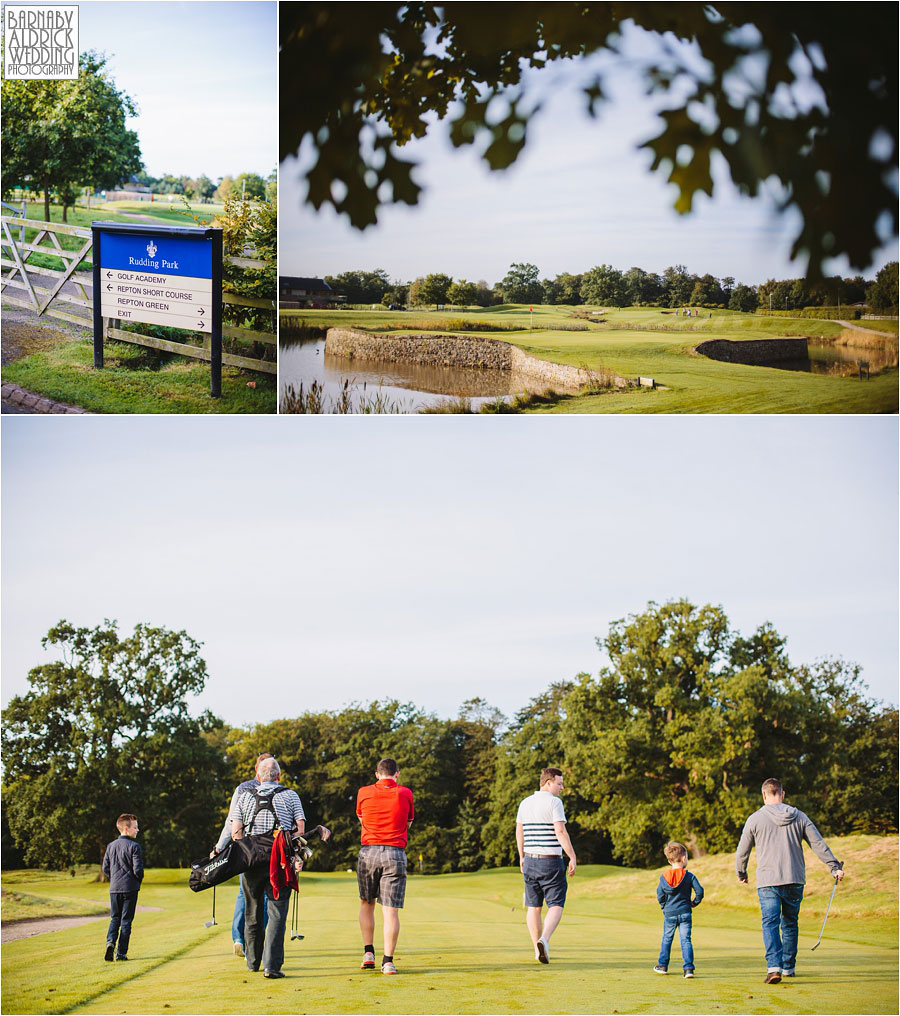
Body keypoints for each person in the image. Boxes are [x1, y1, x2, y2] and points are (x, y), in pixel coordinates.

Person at [736, 777, 845, 984]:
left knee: (770, 923)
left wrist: (741, 872)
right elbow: (818, 844)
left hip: (768, 881)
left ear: (764, 795)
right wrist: (834, 866)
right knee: (790, 924)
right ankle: (788, 967)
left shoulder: (755, 819)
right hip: (794, 879)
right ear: (782, 794)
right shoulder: (800, 816)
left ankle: (774, 968)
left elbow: (743, 850)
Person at [231, 757, 306, 978]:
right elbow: (300, 830)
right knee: (277, 912)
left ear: (258, 775)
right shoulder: (291, 795)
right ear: (279, 776)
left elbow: (236, 832)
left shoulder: (245, 797)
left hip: (252, 861)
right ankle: (271, 966)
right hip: (279, 862)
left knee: (252, 912)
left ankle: (253, 962)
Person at [356, 758, 415, 975]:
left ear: (377, 774)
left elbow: (362, 820)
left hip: (368, 851)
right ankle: (388, 962)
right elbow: (408, 823)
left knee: (366, 903)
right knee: (390, 911)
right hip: (395, 853)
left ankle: (368, 952)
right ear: (397, 774)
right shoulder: (405, 793)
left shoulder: (363, 792)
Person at [213, 753, 274, 957]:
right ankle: (253, 943)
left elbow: (231, 822)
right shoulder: (279, 790)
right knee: (264, 898)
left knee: (243, 894)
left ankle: (239, 938)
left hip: (246, 849)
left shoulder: (243, 788)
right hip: (268, 851)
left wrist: (220, 846)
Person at [515, 767, 577, 964]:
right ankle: (545, 940)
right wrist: (572, 856)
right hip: (550, 860)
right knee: (556, 904)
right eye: (559, 783)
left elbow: (520, 831)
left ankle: (537, 949)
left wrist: (521, 856)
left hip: (530, 860)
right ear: (548, 782)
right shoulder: (554, 802)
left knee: (533, 907)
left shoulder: (525, 803)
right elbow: (560, 831)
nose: (562, 787)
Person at [653, 841, 704, 977]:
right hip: (685, 912)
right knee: (686, 940)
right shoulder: (689, 876)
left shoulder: (664, 877)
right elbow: (700, 891)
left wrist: (664, 907)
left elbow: (660, 895)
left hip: (669, 914)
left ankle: (663, 966)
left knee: (667, 939)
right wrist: (694, 903)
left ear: (670, 860)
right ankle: (688, 969)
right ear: (683, 858)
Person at [102, 813, 144, 962]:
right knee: (126, 921)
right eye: (135, 827)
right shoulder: (134, 847)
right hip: (130, 889)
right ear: (126, 828)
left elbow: (105, 868)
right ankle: (121, 954)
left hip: (114, 889)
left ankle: (110, 942)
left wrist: (113, 880)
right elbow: (138, 870)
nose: (137, 830)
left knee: (115, 919)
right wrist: (137, 881)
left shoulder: (110, 846)